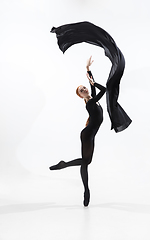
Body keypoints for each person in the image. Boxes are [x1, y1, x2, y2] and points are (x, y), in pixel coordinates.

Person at [49, 56, 106, 206]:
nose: (85, 89)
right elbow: (104, 89)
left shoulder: (92, 98)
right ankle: (66, 167)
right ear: (81, 96)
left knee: (86, 162)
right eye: (82, 90)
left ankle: (85, 189)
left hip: (90, 134)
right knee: (86, 162)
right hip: (87, 135)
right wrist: (95, 83)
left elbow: (91, 84)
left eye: (84, 87)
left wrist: (88, 69)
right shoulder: (90, 103)